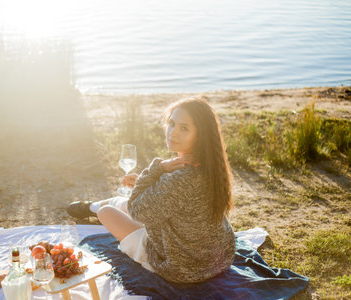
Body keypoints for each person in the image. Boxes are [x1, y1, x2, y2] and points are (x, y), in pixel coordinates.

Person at [67, 96, 235, 283]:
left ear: (201, 135)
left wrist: (158, 168)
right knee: (120, 202)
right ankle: (90, 206)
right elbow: (175, 197)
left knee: (107, 212)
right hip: (219, 258)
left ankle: (94, 208)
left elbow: (136, 210)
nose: (173, 133)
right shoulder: (209, 165)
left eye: (184, 128)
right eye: (171, 123)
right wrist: (146, 180)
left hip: (183, 266)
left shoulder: (180, 177)